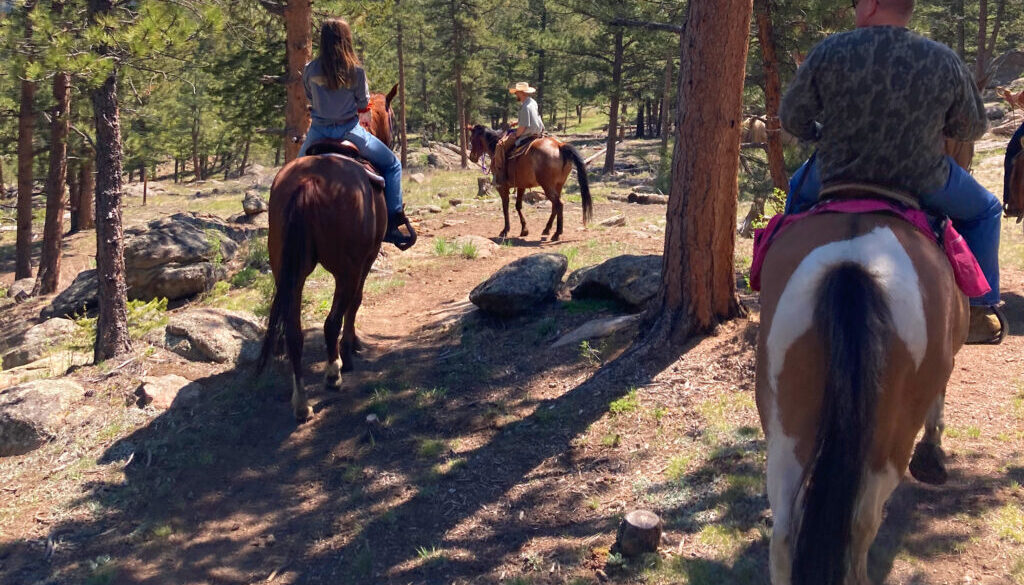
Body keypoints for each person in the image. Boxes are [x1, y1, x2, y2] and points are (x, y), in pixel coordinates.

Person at [780, 0, 1004, 343]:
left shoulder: (830, 50)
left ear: (870, 5)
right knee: (986, 210)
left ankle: (782, 290)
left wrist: (821, 135)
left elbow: (793, 117)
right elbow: (972, 128)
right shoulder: (942, 58)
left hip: (837, 173)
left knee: (796, 195)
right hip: (924, 178)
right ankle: (979, 309)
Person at [299, 18, 414, 249]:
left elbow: (309, 97)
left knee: (291, 174)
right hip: (350, 132)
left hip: (318, 133)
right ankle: (393, 222)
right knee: (392, 166)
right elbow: (363, 106)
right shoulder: (356, 72)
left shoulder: (310, 69)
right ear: (346, 40)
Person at [492, 82, 545, 184]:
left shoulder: (525, 107)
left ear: (521, 93)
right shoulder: (532, 102)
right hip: (537, 131)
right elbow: (533, 118)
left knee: (500, 145)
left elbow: (523, 126)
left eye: (517, 93)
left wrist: (516, 135)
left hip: (527, 133)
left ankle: (500, 174)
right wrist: (517, 122)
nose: (516, 95)